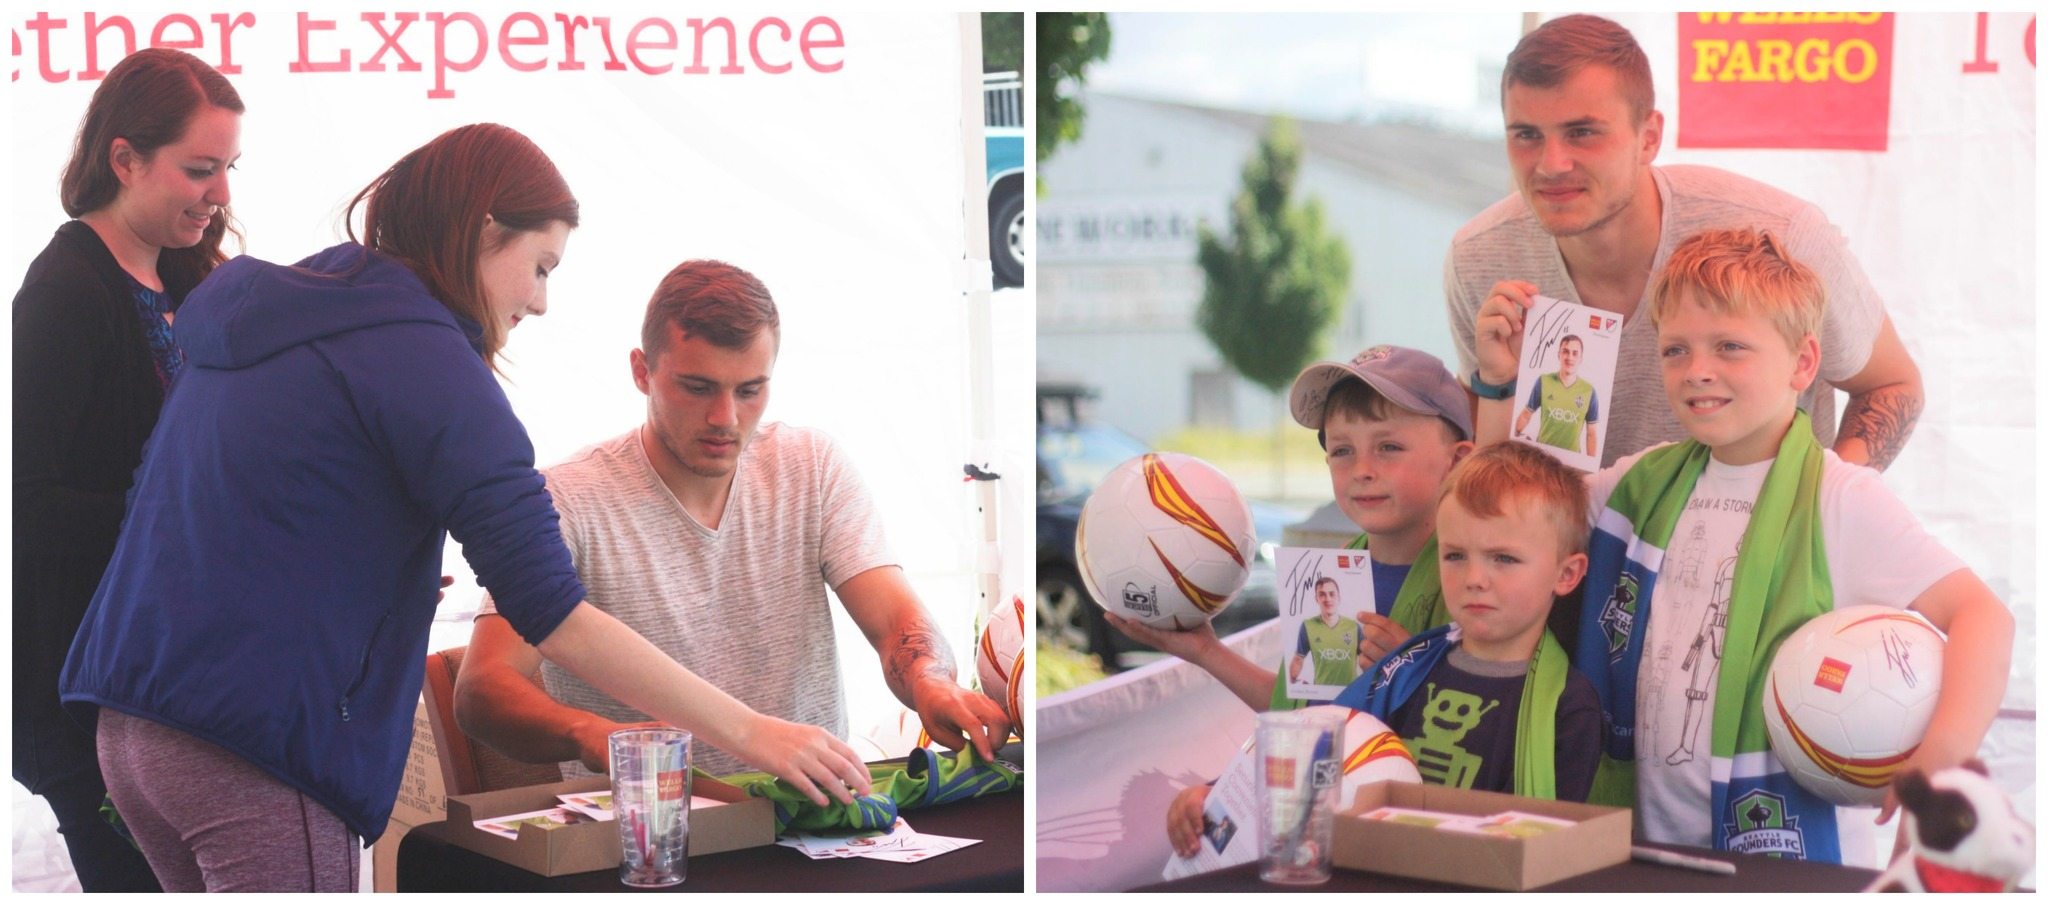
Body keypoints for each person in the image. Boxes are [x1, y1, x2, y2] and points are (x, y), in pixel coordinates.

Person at [57, 124, 871, 893]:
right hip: (254, 741)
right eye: (542, 265)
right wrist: (756, 733)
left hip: (134, 729)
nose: (543, 302)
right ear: (486, 233)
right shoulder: (426, 356)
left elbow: (185, 509)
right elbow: (553, 611)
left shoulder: (289, 314)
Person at [1473, 227, 2012, 866]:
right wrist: (1499, 385)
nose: (1698, 370)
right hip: (1644, 848)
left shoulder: (1841, 498)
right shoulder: (1641, 481)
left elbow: (1985, 617)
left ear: (1804, 363)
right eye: (1676, 349)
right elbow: (1500, 521)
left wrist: (1939, 759)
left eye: (1730, 346)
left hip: (1792, 860)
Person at [453, 259, 1012, 778]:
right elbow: (482, 689)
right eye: (697, 388)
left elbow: (897, 622)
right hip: (645, 842)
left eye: (750, 390)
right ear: (641, 372)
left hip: (810, 827)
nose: (725, 418)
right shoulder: (567, 498)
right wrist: (594, 735)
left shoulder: (810, 466)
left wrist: (930, 680)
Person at [1444, 14, 1922, 471]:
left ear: (1649, 137)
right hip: (1574, 553)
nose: (1551, 163)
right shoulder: (1480, 257)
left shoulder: (1779, 234)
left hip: (1758, 552)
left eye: (1582, 132)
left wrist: (1823, 508)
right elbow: (1479, 426)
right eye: (1526, 135)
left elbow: (1892, 385)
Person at [12, 47, 242, 893]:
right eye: (199, 168)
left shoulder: (192, 278)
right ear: (124, 158)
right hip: (86, 703)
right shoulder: (64, 289)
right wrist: (180, 523)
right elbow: (27, 509)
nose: (220, 192)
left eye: (228, 168)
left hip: (175, 688)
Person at [1165, 442, 1607, 857]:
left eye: (1503, 559)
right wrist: (1218, 791)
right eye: (1455, 556)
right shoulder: (1409, 664)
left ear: (1566, 574)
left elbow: (1543, 854)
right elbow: (1319, 738)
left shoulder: (1567, 709)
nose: (1474, 578)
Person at [1108, 345, 1474, 714]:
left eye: (1389, 446)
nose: (1362, 469)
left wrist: (1417, 676)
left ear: (1457, 461)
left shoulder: (1472, 580)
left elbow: (1493, 726)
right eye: (1342, 450)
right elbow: (1299, 710)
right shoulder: (1335, 568)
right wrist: (1206, 651)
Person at [1515, 334, 1600, 457]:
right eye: (1565, 351)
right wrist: (1514, 437)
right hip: (1543, 458)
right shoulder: (1543, 381)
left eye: (1575, 353)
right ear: (1558, 355)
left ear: (1581, 358)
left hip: (1572, 461)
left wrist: (1591, 464)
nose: (1570, 357)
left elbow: (1591, 434)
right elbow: (1526, 415)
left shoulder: (1589, 391)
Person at [1288, 577, 1362, 687]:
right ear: (1316, 598)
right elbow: (1298, 658)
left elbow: (1366, 661)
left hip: (1350, 692)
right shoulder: (1307, 626)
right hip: (1320, 692)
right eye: (1322, 594)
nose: (1328, 599)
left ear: (1339, 598)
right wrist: (1294, 682)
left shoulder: (1354, 626)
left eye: (1332, 594)